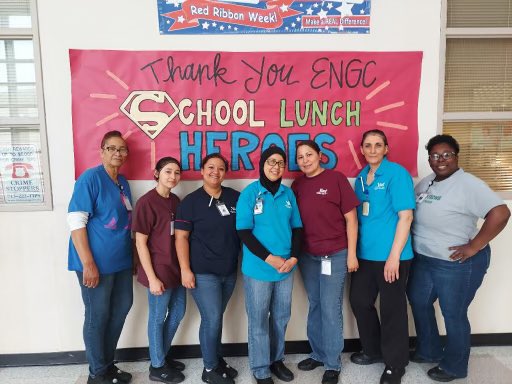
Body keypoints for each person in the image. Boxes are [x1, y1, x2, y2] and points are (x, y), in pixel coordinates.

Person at [407, 134, 510, 382]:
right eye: (435, 155)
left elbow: (501, 213)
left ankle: (454, 366)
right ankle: (429, 350)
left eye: (447, 155)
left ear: (456, 156)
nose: (441, 160)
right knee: (419, 302)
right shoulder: (427, 182)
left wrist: (474, 246)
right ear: (429, 159)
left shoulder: (468, 184)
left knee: (453, 312)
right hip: (425, 259)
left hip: (457, 263)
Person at [67, 130, 134, 384]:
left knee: (121, 308)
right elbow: (76, 221)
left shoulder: (122, 182)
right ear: (102, 150)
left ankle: (107, 364)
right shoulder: (90, 179)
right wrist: (88, 263)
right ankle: (97, 373)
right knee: (98, 315)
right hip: (95, 264)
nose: (118, 153)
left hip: (121, 261)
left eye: (122, 149)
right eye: (112, 148)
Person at [349, 129, 415, 384]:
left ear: (386, 149)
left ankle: (395, 364)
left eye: (378, 145)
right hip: (366, 256)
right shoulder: (361, 178)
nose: (373, 149)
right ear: (362, 150)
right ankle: (374, 350)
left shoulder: (397, 174)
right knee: (359, 301)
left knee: (392, 310)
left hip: (393, 256)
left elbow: (405, 216)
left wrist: (394, 257)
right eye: (368, 145)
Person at [291, 140, 359, 384]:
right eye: (300, 157)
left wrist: (352, 254)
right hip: (308, 255)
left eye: (309, 154)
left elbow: (352, 220)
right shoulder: (297, 184)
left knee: (330, 308)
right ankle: (318, 353)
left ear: (320, 155)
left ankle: (332, 363)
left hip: (336, 253)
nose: (305, 160)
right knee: (316, 304)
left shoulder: (336, 179)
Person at [236, 146, 303, 384]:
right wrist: (269, 258)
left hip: (286, 268)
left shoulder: (287, 194)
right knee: (258, 319)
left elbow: (297, 229)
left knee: (281, 317)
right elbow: (243, 232)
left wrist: (293, 257)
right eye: (271, 162)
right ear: (262, 165)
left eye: (280, 163)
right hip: (259, 269)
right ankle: (260, 368)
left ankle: (277, 360)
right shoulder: (250, 193)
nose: (276, 167)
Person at [175, 153, 240, 384]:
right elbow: (181, 238)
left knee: (216, 318)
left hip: (229, 272)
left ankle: (217, 358)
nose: (215, 172)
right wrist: (185, 269)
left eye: (221, 168)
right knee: (212, 318)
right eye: (210, 167)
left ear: (225, 173)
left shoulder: (235, 197)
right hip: (203, 273)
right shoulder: (190, 202)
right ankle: (209, 369)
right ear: (202, 171)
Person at [133, 157, 186, 383]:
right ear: (157, 173)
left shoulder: (176, 201)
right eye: (167, 172)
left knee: (178, 312)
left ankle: (160, 355)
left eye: (176, 172)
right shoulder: (146, 202)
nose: (172, 176)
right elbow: (140, 243)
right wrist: (152, 278)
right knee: (157, 317)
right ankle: (157, 367)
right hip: (157, 270)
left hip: (175, 268)